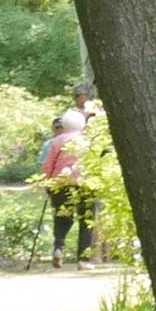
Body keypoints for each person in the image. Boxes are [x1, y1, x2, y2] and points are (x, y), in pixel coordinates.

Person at [39, 110, 99, 267]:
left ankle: (58, 248)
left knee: (62, 217)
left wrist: (47, 183)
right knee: (86, 220)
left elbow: (48, 164)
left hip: (60, 182)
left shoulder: (57, 141)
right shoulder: (87, 141)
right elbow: (94, 163)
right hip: (84, 183)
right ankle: (83, 260)